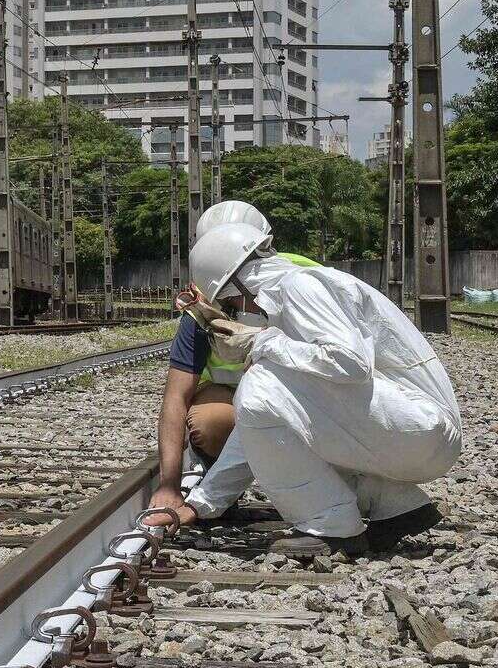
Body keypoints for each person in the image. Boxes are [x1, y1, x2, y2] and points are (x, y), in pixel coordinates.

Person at [159, 222, 459, 558]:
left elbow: (351, 363)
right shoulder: (294, 294)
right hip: (419, 431)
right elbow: (254, 430)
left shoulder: (300, 287)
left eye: (229, 302)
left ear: (239, 286)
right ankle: (393, 504)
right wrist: (202, 504)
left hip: (422, 430)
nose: (237, 312)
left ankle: (333, 527)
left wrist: (262, 342)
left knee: (259, 386)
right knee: (280, 407)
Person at [149, 202, 320, 528]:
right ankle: (217, 477)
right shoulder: (203, 306)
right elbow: (176, 397)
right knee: (212, 421)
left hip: (302, 397)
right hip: (234, 400)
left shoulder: (304, 280)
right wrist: (169, 485)